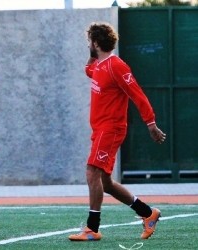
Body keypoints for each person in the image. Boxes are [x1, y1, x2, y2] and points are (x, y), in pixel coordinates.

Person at [68, 22, 166, 241]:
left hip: (110, 129)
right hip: (100, 130)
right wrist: (92, 53)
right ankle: (148, 213)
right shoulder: (99, 66)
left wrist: (150, 123)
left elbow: (137, 94)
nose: (88, 45)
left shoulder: (116, 65)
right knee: (106, 183)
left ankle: (92, 229)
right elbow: (88, 70)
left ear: (95, 42)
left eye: (89, 42)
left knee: (92, 171)